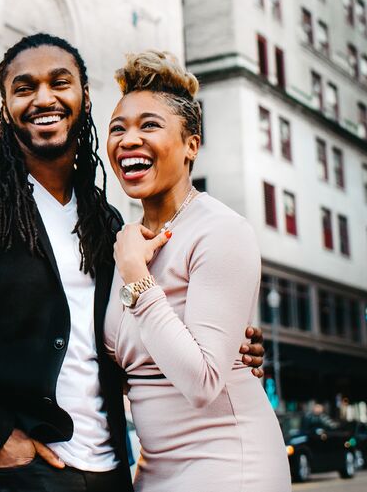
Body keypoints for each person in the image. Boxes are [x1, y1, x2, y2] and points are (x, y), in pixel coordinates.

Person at [0, 34, 265, 491]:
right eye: (24, 88)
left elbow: (119, 338)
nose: (43, 98)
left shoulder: (109, 222)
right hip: (11, 473)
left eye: (60, 82)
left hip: (112, 473)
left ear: (83, 98)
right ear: (5, 104)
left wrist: (227, 348)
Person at [103, 50, 291, 491]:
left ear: (191, 144)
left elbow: (203, 381)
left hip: (230, 467)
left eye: (149, 125)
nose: (129, 139)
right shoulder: (123, 242)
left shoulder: (220, 231)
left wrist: (137, 277)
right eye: (118, 128)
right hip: (154, 472)